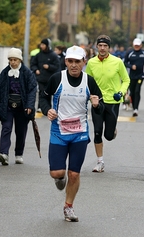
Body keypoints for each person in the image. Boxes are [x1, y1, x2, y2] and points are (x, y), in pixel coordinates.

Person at [40, 45, 103, 222]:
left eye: (77, 61)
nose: (73, 65)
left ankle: (68, 207)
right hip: (59, 131)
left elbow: (100, 107)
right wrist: (47, 110)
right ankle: (60, 178)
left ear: (84, 62)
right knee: (57, 173)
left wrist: (97, 105)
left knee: (74, 174)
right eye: (70, 61)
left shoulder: (89, 81)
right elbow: (43, 97)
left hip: (80, 133)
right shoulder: (56, 78)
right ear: (65, 61)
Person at [85, 35, 130, 172]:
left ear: (109, 48)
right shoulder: (91, 63)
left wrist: (121, 93)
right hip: (97, 102)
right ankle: (100, 162)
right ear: (97, 47)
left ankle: (112, 130)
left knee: (108, 136)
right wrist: (88, 96)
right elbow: (87, 81)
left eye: (105, 46)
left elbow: (126, 80)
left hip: (113, 102)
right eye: (100, 46)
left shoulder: (117, 62)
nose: (103, 48)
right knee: (97, 132)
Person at [0, 48, 37, 165]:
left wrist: (29, 105)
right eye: (11, 60)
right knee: (6, 128)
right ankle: (4, 154)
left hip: (22, 107)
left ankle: (19, 154)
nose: (13, 62)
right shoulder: (4, 73)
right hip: (7, 106)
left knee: (21, 131)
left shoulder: (27, 73)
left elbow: (32, 90)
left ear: (20, 60)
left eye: (15, 59)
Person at [124, 38, 144, 116]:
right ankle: (133, 104)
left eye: (138, 45)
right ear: (133, 45)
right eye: (135, 45)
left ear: (141, 45)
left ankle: (136, 109)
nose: (137, 46)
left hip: (141, 75)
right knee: (132, 91)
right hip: (132, 76)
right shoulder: (130, 53)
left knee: (137, 91)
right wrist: (131, 66)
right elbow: (125, 63)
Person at [30, 38, 60, 111]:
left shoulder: (53, 55)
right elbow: (33, 64)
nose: (42, 46)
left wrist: (49, 67)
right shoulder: (38, 55)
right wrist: (36, 69)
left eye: (43, 44)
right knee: (41, 92)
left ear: (47, 45)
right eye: (41, 44)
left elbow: (57, 66)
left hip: (50, 78)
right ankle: (40, 107)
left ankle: (48, 108)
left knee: (48, 94)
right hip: (41, 78)